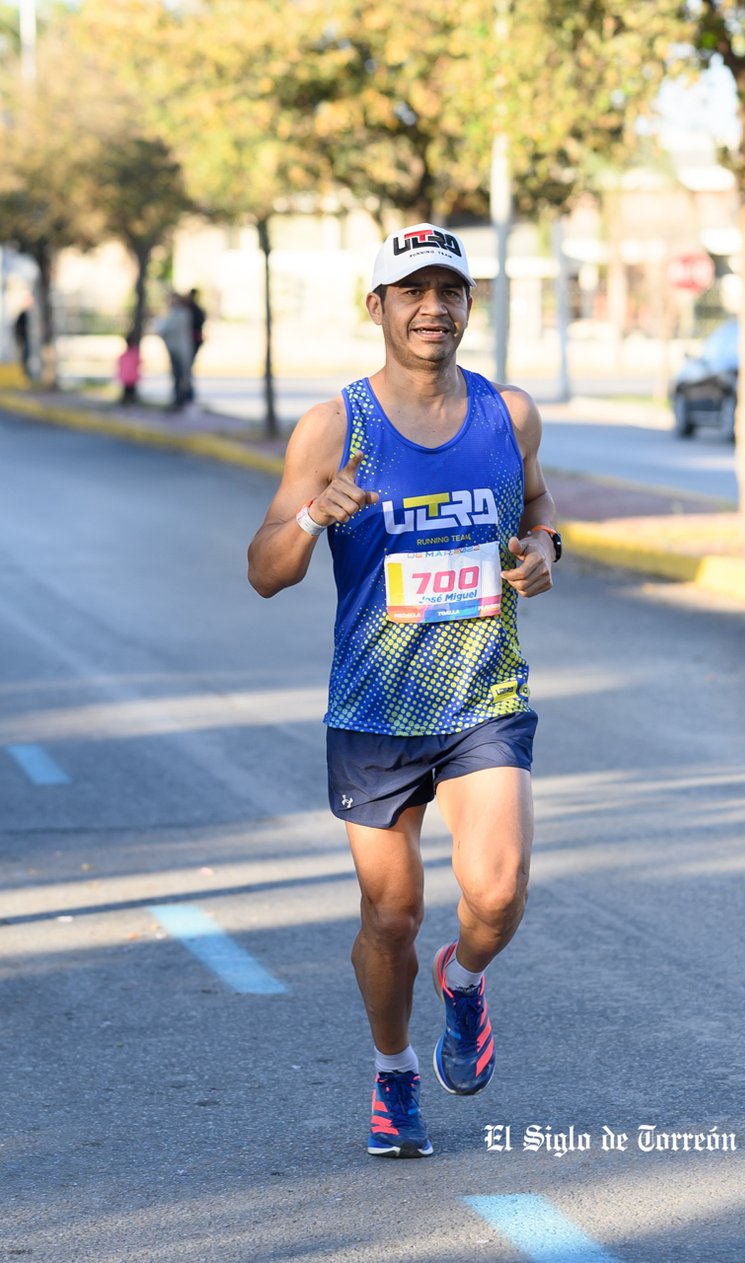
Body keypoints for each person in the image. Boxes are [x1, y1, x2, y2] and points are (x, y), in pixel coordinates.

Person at [248, 223, 562, 1159]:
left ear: (470, 305)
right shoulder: (334, 426)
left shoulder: (509, 413)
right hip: (375, 708)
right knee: (390, 915)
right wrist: (312, 514)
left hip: (481, 693)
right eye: (413, 292)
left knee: (496, 892)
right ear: (376, 306)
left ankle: (461, 985)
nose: (435, 309)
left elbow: (538, 503)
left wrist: (545, 547)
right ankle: (392, 1073)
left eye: (451, 292)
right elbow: (265, 570)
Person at [155, 292, 193, 409]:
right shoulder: (172, 314)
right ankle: (179, 399)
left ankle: (182, 400)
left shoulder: (181, 314)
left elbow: (167, 328)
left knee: (181, 376)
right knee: (177, 376)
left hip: (180, 350)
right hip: (173, 349)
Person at [185, 288, 206, 401]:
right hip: (192, 340)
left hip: (192, 340)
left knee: (188, 368)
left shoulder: (192, 309)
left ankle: (189, 394)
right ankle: (188, 393)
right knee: (188, 368)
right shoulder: (193, 309)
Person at [116, 333, 141, 404]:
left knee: (126, 391)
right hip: (132, 377)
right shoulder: (134, 353)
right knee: (131, 391)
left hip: (126, 377)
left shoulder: (124, 355)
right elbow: (138, 363)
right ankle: (130, 401)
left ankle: (126, 402)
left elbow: (119, 364)